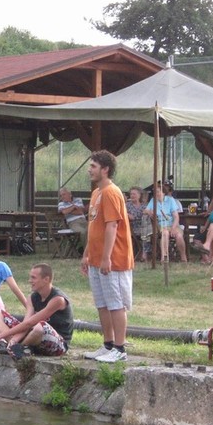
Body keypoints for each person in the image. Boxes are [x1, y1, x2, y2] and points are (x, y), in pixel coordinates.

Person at [81, 150, 134, 363]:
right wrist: (86, 254)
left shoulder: (112, 192)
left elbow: (112, 226)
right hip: (95, 258)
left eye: (93, 166)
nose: (89, 170)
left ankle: (120, 348)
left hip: (114, 260)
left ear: (105, 169)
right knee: (102, 303)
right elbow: (94, 227)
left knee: (115, 303)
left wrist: (106, 258)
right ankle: (108, 344)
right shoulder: (96, 193)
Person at [0, 263, 72, 360]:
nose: (29, 281)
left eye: (33, 278)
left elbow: (30, 323)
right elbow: (26, 323)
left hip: (58, 344)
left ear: (46, 279)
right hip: (32, 337)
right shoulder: (32, 298)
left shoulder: (58, 299)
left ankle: (17, 348)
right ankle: (14, 347)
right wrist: (13, 340)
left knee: (40, 326)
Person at [144, 185, 188, 262]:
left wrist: (173, 228)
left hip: (172, 224)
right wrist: (149, 211)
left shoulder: (170, 200)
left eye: (158, 192)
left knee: (179, 235)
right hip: (160, 225)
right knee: (165, 233)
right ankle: (164, 257)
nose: (156, 194)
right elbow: (145, 210)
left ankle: (183, 257)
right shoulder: (153, 200)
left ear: (163, 193)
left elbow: (176, 217)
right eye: (155, 192)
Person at [126, 186, 146, 261]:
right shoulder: (127, 205)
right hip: (132, 227)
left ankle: (144, 253)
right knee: (146, 233)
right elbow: (121, 213)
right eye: (131, 194)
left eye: (134, 194)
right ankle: (143, 254)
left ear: (139, 195)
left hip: (143, 226)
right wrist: (127, 215)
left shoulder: (144, 206)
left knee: (148, 232)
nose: (132, 196)